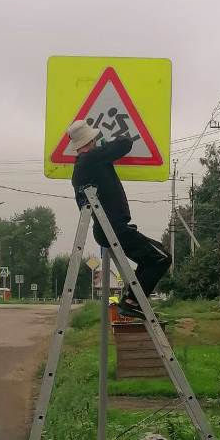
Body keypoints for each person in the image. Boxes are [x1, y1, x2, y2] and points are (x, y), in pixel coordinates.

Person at [67, 120, 171, 319]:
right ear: (91, 140)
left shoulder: (80, 168)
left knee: (149, 259)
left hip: (107, 228)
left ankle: (131, 301)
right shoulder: (91, 158)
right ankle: (131, 302)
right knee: (162, 258)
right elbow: (125, 143)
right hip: (114, 228)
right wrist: (106, 144)